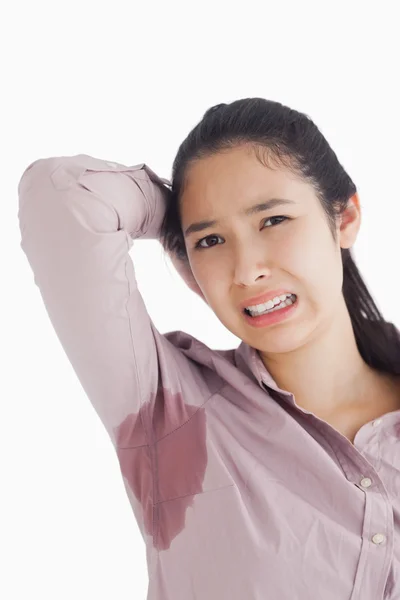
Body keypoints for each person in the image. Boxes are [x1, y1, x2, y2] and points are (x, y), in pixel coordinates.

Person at [18, 98, 400, 599]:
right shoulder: (171, 415)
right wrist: (175, 217)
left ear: (345, 216)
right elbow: (61, 197)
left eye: (273, 221)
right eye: (212, 241)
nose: (246, 271)